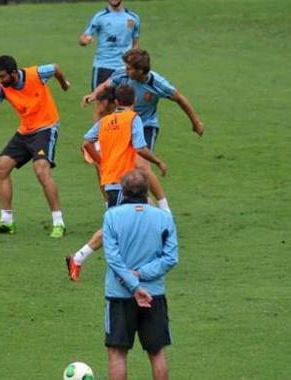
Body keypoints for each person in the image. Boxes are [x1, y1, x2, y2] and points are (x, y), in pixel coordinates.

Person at [66, 85, 168, 282]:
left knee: (148, 213)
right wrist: (158, 161)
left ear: (116, 102)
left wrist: (101, 161)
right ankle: (79, 258)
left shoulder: (105, 121)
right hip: (124, 182)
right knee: (115, 228)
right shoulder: (133, 119)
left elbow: (87, 141)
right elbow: (140, 147)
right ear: (134, 101)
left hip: (112, 180)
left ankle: (150, 260)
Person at [82, 48, 204, 205]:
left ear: (141, 70)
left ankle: (164, 209)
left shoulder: (157, 83)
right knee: (103, 164)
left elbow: (179, 98)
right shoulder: (122, 74)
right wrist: (94, 95)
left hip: (145, 125)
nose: (125, 70)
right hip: (122, 126)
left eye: (130, 68)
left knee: (141, 165)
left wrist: (196, 122)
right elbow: (106, 86)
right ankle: (110, 206)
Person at [0, 55, 70, 238]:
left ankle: (59, 222)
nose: (0, 81)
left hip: (46, 127)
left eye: (3, 76)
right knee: (1, 168)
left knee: (41, 171)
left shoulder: (36, 74)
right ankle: (6, 221)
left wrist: (63, 84)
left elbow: (55, 67)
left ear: (14, 73)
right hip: (25, 131)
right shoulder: (0, 88)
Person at [102, 170, 178, 380]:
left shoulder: (112, 217)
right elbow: (170, 258)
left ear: (123, 191)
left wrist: (134, 286)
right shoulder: (164, 218)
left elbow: (113, 258)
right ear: (146, 191)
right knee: (157, 352)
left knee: (117, 353)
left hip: (119, 295)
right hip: (153, 294)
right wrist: (142, 274)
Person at [79, 0, 140, 120]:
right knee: (101, 107)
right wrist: (85, 40)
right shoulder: (100, 17)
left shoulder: (133, 18)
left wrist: (133, 62)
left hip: (124, 68)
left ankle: (116, 136)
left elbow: (136, 43)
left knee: (119, 107)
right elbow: (84, 37)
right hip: (103, 66)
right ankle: (98, 138)